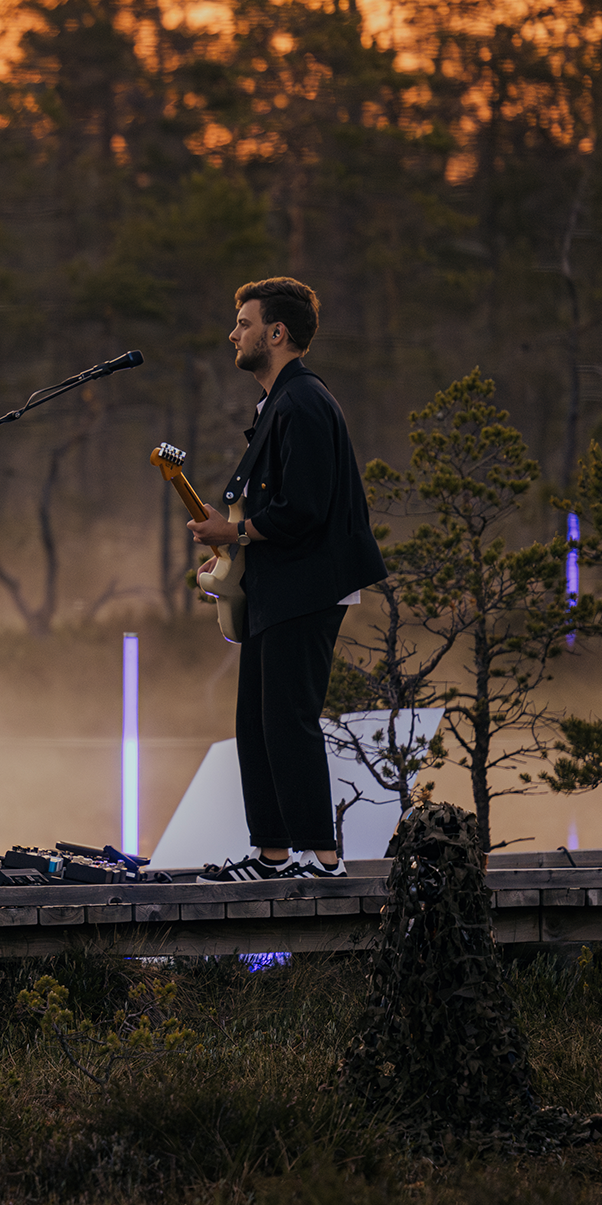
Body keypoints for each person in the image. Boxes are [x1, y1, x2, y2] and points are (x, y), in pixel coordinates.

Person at [187, 279, 387, 882]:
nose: (234, 334)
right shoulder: (281, 403)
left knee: (289, 719)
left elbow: (304, 509)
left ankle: (319, 859)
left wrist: (236, 537)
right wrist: (233, 556)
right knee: (257, 721)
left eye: (244, 323)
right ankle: (271, 853)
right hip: (281, 585)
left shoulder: (302, 403)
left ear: (276, 334)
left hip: (308, 586)